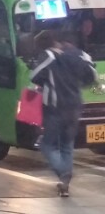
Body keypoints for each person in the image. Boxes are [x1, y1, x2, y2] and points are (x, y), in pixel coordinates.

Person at [30, 30, 97, 197]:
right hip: (75, 106)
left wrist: (45, 83)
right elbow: (92, 74)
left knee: (47, 145)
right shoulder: (76, 54)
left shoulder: (48, 56)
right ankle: (65, 185)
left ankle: (63, 172)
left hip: (55, 107)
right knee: (67, 145)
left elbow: (35, 75)